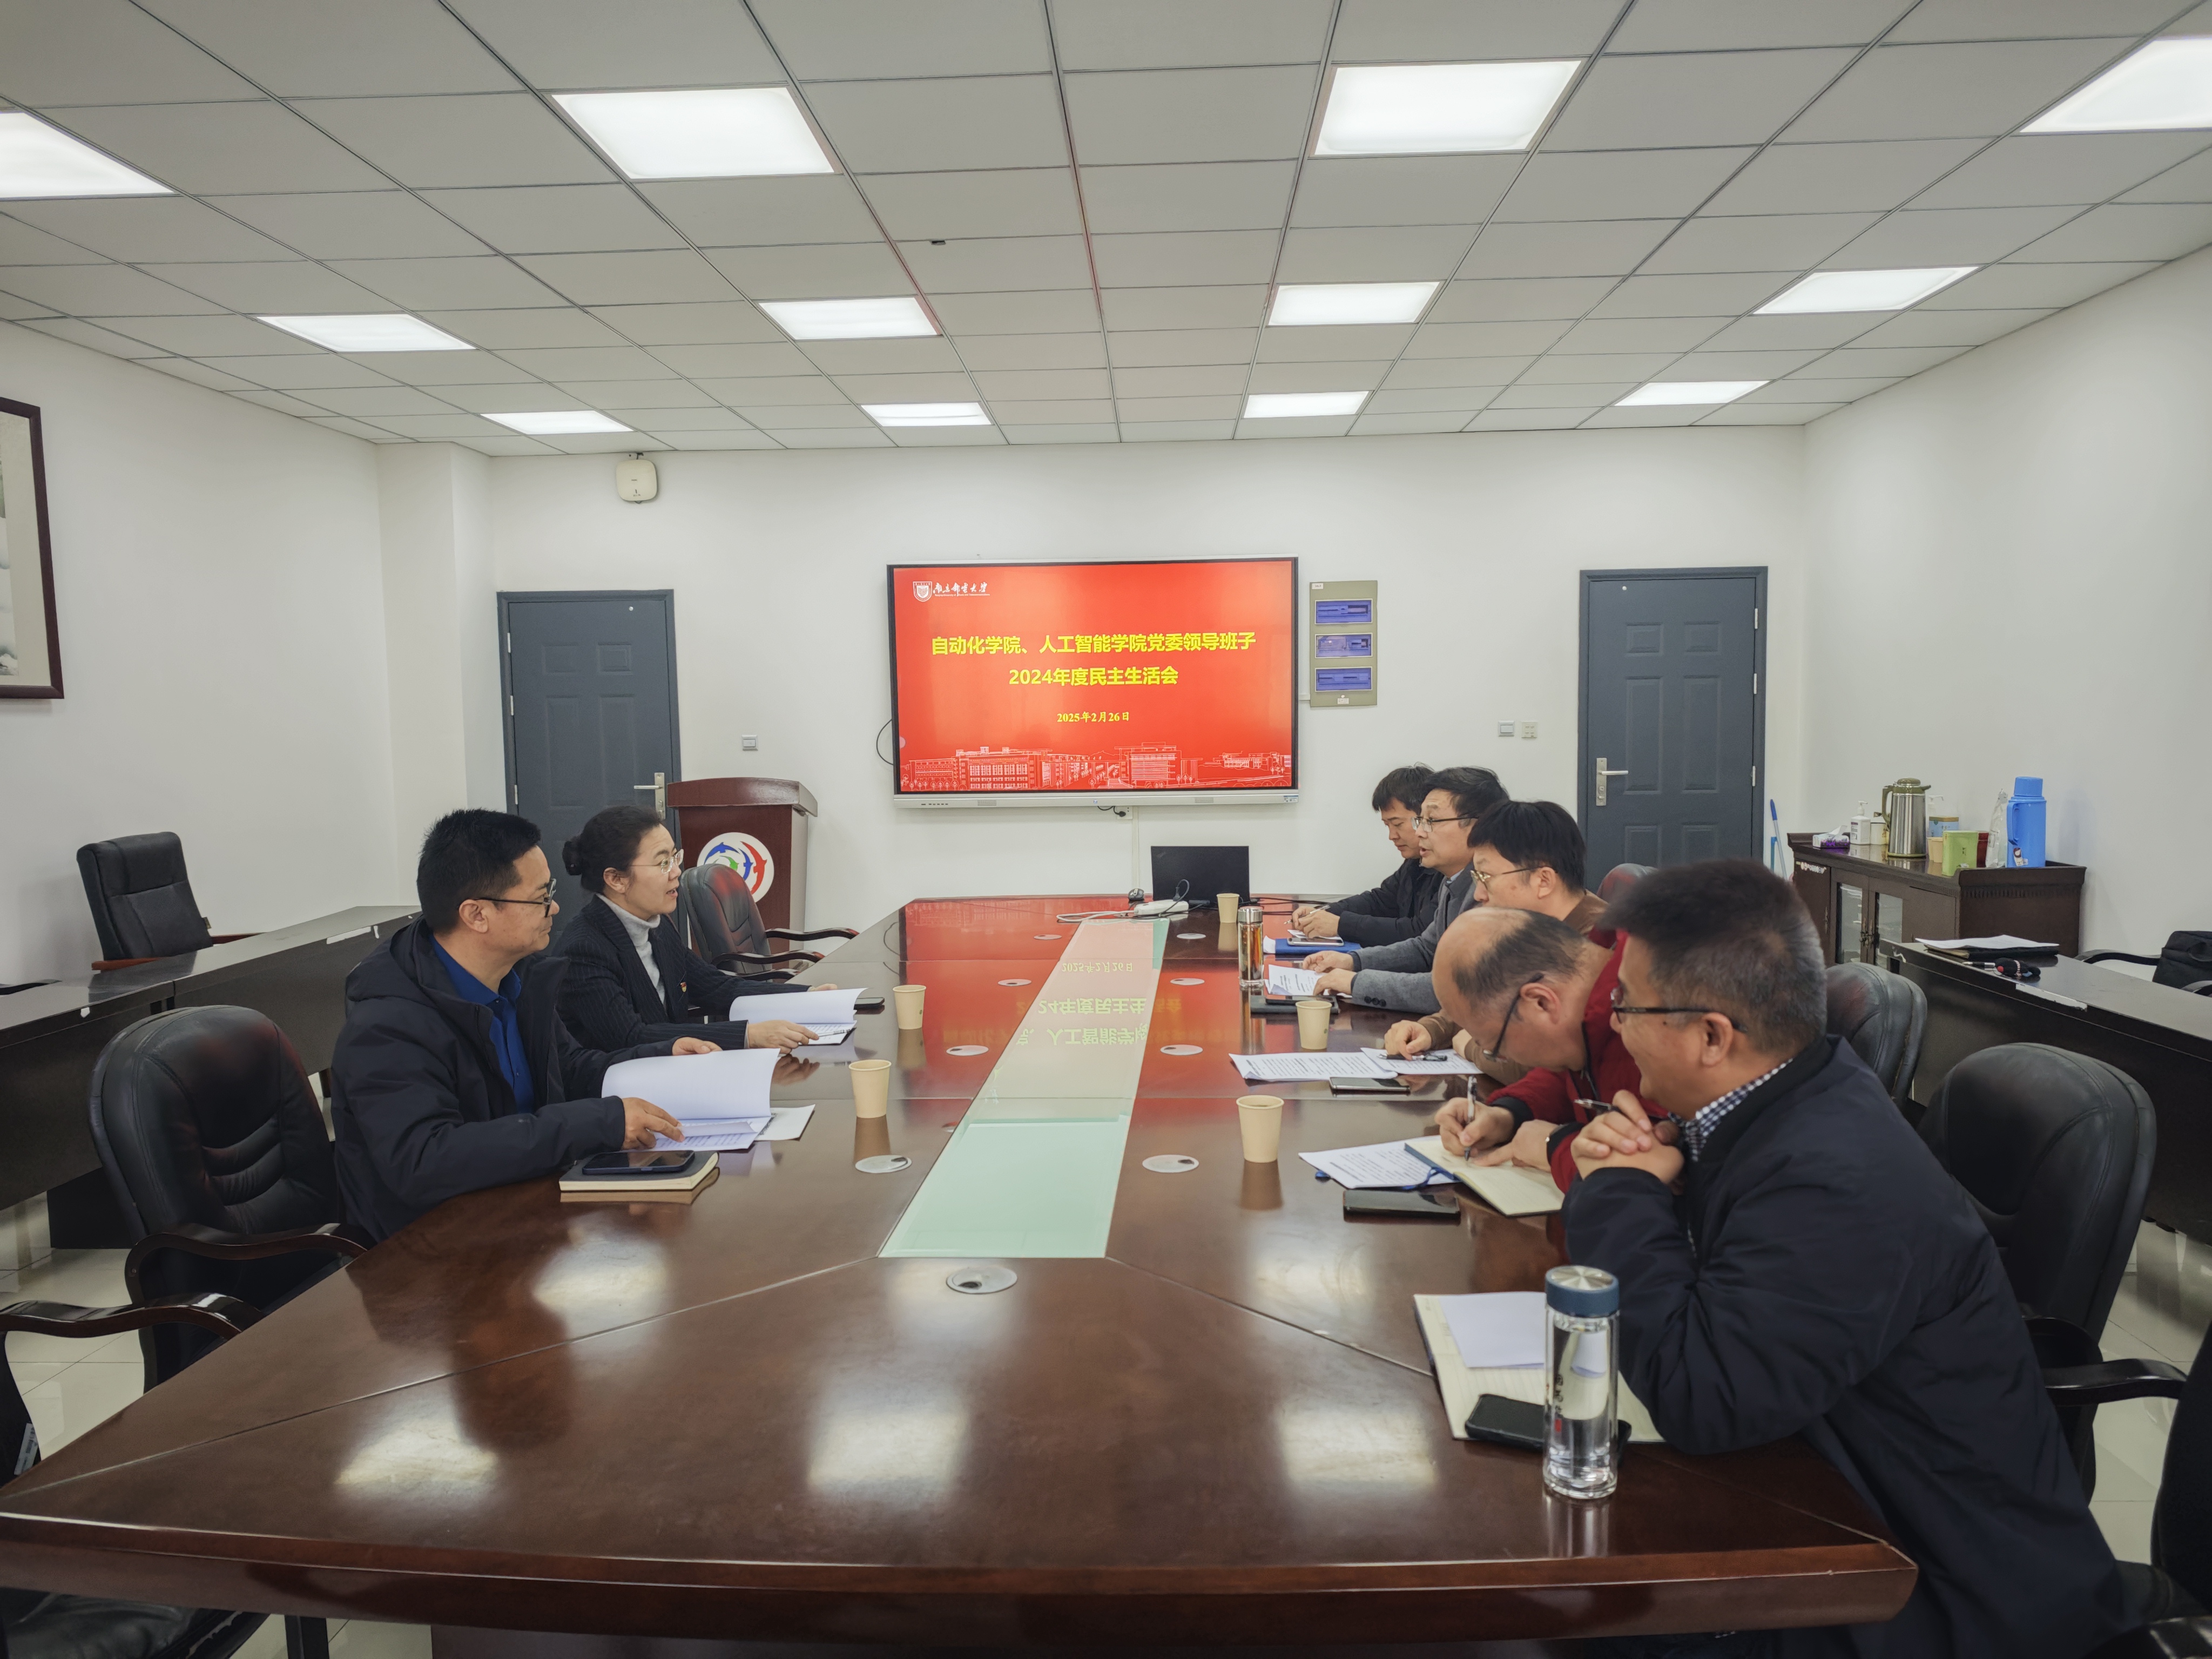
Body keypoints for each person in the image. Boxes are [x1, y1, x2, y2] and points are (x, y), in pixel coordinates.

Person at [1562, 860, 2125, 1658]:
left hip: (1933, 1590)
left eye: (1627, 1004)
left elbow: (1701, 1401)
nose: (1615, 1025)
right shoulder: (1789, 1094)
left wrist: (1620, 1191)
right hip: (1834, 1489)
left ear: (1713, 1035)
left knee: (1561, 1619)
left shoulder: (1833, 1177)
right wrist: (1649, 1177)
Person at [332, 809, 712, 1243]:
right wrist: (594, 1123)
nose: (554, 907)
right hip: (435, 1246)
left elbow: (572, 1068)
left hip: (526, 1208)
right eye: (540, 898)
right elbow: (425, 1161)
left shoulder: (520, 977)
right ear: (477, 914)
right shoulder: (387, 1027)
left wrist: (663, 1056)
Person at [556, 805, 822, 1054]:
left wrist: (808, 997)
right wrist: (747, 1035)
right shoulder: (584, 951)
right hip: (621, 1084)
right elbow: (631, 1037)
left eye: (675, 857)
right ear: (616, 879)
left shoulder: (658, 926)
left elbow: (717, 988)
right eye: (663, 863)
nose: (677, 872)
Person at [1382, 800, 1607, 1083]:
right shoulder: (1534, 927)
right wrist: (1432, 1029)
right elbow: (1490, 1000)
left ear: (1543, 881)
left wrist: (1471, 1047)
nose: (1479, 895)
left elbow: (1546, 1064)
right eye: (1476, 877)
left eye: (1486, 877)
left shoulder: (1599, 949)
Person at [1426, 905, 1636, 1189]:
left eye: (1496, 1048)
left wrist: (1555, 1147)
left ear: (1541, 1002)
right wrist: (1509, 1114)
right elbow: (1573, 1076)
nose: (1504, 1057)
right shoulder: (1592, 1000)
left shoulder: (1644, 1016)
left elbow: (1654, 1172)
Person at [1303, 766, 1505, 1016]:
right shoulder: (1453, 878)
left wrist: (1357, 982)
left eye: (1431, 821)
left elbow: (1458, 991)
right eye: (1421, 821)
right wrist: (1353, 961)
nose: (1420, 832)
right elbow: (1425, 948)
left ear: (1478, 826)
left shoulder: (1493, 891)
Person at [1291, 765, 1441, 946]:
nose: (1392, 836)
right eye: (1387, 826)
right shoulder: (1414, 863)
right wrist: (1324, 911)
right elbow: (1379, 901)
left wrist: (1341, 925)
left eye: (1398, 824)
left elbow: (1419, 932)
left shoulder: (1448, 870)